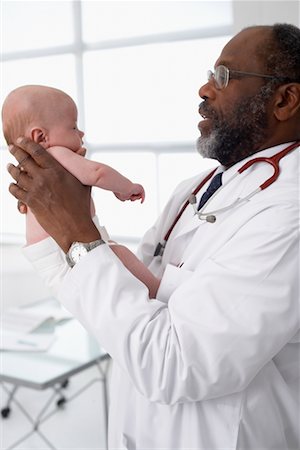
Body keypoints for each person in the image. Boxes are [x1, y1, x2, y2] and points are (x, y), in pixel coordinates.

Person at [7, 23, 300, 449]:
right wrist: (58, 234)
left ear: (285, 100)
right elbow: (126, 308)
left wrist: (77, 235)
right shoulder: (194, 191)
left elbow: (175, 365)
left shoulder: (289, 211)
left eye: (223, 76)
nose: (203, 89)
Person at [2, 85, 159, 298]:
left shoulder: (31, 171)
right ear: (41, 137)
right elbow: (96, 173)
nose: (81, 133)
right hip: (63, 250)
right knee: (118, 254)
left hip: (49, 259)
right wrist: (126, 188)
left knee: (101, 290)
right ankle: (159, 292)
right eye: (73, 127)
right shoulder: (56, 155)